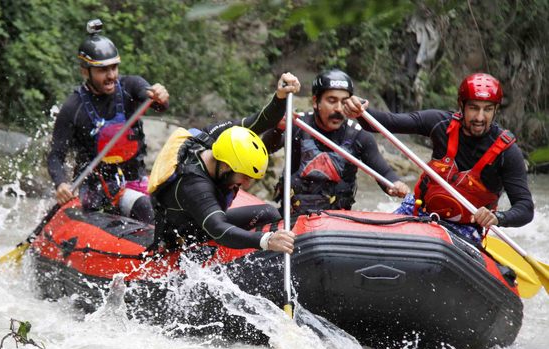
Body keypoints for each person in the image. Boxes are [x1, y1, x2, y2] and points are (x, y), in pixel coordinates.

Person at [342, 72, 534, 243]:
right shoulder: (440, 124)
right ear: (462, 105)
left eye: (488, 109)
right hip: (418, 211)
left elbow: (525, 208)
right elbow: (385, 123)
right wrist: (361, 109)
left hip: (465, 228)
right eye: (474, 108)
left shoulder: (507, 152)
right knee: (379, 244)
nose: (480, 117)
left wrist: (499, 217)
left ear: (495, 110)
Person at [148, 73, 300, 254]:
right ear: (227, 166)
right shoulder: (194, 185)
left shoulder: (217, 139)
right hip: (185, 238)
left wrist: (280, 97)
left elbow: (258, 122)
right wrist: (265, 241)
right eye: (244, 176)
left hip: (203, 220)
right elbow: (219, 229)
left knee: (270, 213)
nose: (247, 184)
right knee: (235, 234)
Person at [47, 19, 169, 224]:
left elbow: (157, 104)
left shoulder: (131, 87)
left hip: (134, 181)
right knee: (142, 206)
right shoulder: (72, 108)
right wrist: (61, 184)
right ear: (85, 71)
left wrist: (160, 96)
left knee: (149, 207)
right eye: (103, 70)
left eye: (114, 68)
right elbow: (55, 156)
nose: (111, 75)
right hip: (95, 190)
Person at [261, 69, 409, 213]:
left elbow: (384, 173)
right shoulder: (296, 124)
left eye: (344, 102)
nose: (338, 109)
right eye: (331, 101)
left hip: (337, 222)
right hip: (293, 217)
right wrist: (278, 128)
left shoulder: (359, 135)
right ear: (315, 102)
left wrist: (395, 185)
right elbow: (265, 148)